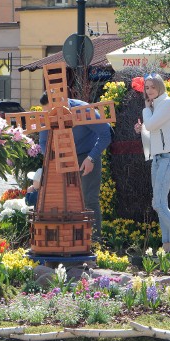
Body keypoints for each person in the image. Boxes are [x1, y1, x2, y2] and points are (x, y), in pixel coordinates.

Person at [38, 91, 112, 241]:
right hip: (62, 157)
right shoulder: (49, 115)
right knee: (63, 201)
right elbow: (43, 143)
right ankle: (68, 240)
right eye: (47, 112)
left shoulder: (83, 110)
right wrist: (52, 160)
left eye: (51, 111)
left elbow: (106, 133)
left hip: (86, 154)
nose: (50, 115)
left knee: (89, 198)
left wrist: (91, 158)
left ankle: (95, 241)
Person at [134, 73, 170, 253]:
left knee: (159, 204)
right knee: (160, 203)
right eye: (146, 88)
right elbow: (153, 130)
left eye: (152, 87)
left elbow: (153, 125)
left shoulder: (167, 104)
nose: (149, 91)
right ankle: (167, 246)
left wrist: (146, 112)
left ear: (160, 87)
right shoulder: (156, 106)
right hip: (158, 158)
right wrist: (142, 129)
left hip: (169, 158)